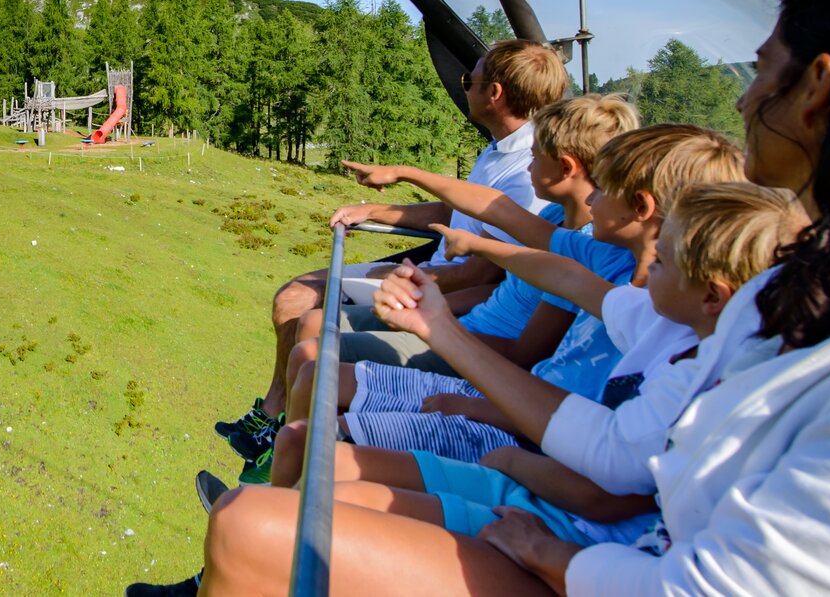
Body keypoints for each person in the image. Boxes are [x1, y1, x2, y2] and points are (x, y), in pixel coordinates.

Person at [196, 0, 830, 597]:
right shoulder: (817, 286)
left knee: (257, 527)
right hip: (597, 536)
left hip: (602, 554)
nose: (740, 98)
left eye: (761, 67)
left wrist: (564, 557)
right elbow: (608, 364)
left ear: (817, 87)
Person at [273, 183, 807, 559]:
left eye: (664, 262)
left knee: (321, 494)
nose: (648, 276)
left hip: (567, 522)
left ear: (712, 296)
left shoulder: (699, 378)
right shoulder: (664, 324)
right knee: (320, 483)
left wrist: (504, 454)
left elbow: (609, 484)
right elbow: (570, 278)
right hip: (541, 481)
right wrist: (481, 249)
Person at [235, 95, 638, 484]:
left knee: (314, 372)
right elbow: (499, 214)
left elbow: (528, 347)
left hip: (483, 365)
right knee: (312, 361)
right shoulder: (557, 221)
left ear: (566, 167)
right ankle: (277, 478)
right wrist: (417, 187)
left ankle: (277, 490)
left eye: (536, 154)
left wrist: (438, 327)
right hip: (470, 343)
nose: (529, 161)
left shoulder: (594, 259)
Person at [215, 40, 568, 463]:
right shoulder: (499, 150)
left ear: (494, 94)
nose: (464, 88)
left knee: (301, 308)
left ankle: (281, 436)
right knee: (295, 301)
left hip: (438, 289)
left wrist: (395, 283)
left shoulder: (527, 174)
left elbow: (480, 275)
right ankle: (276, 422)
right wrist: (376, 210)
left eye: (467, 79)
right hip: (434, 280)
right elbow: (456, 211)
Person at [310, 125, 743, 466]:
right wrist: (479, 245)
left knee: (327, 445)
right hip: (522, 412)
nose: (592, 197)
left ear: (642, 208)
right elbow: (554, 263)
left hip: (534, 440)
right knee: (315, 391)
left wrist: (445, 337)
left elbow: (604, 436)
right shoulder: (618, 274)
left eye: (604, 189)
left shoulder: (663, 321)